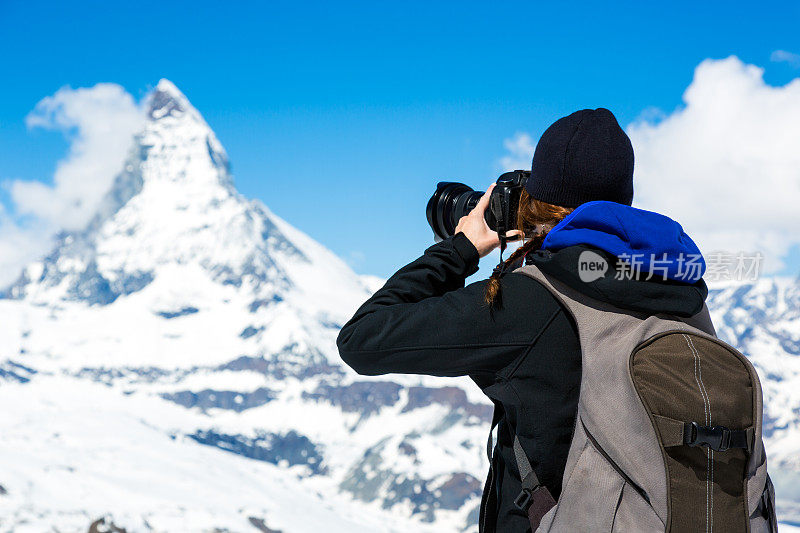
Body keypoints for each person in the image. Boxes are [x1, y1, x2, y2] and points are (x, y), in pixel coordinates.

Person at [336, 108, 710, 532]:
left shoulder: (534, 302)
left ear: (533, 201)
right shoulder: (683, 293)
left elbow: (362, 339)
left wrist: (462, 248)